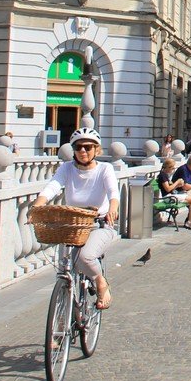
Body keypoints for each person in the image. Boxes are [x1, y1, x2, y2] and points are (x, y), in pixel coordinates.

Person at [32, 127, 118, 309]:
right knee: (65, 268)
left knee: (84, 258)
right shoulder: (67, 168)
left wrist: (112, 209)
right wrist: (37, 206)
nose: (83, 151)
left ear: (96, 149)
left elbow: (113, 193)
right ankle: (63, 320)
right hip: (73, 226)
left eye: (88, 147)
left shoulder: (105, 169)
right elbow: (52, 187)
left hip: (100, 224)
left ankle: (101, 282)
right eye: (78, 147)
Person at [157, 158, 191, 229]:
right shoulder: (163, 175)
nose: (173, 170)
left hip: (171, 196)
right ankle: (190, 221)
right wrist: (177, 182)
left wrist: (178, 185)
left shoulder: (165, 175)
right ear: (168, 167)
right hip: (168, 198)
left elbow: (170, 188)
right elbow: (167, 189)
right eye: (172, 168)